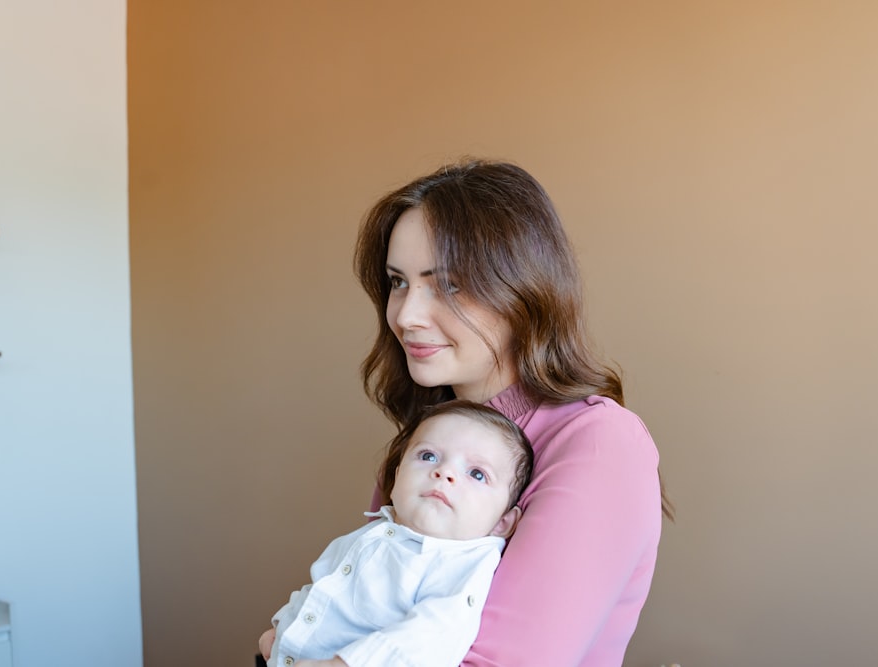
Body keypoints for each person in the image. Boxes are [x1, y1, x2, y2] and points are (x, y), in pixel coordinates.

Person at [352, 158, 673, 666]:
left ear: (521, 290)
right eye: (398, 282)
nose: (407, 315)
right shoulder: (431, 440)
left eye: (449, 285)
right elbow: (357, 610)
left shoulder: (598, 442)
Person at [258, 400, 535, 667]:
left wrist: (345, 663)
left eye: (477, 474)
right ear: (396, 479)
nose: (444, 472)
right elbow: (323, 585)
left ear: (503, 522)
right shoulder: (374, 533)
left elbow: (434, 631)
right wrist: (284, 624)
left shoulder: (461, 562)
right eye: (428, 456)